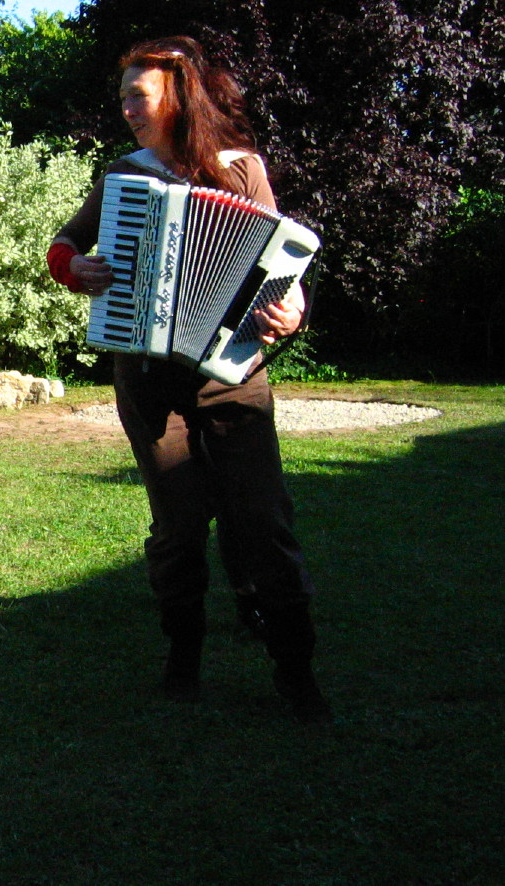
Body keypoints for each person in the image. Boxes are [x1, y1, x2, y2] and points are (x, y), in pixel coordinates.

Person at [46, 36, 331, 722]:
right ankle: (182, 658)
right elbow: (65, 243)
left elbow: (279, 264)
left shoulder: (241, 170)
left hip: (234, 377)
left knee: (263, 523)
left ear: (176, 95)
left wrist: (290, 311)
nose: (126, 110)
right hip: (148, 379)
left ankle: (295, 673)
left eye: (137, 96)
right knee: (177, 528)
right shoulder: (124, 175)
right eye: (121, 98)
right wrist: (73, 269)